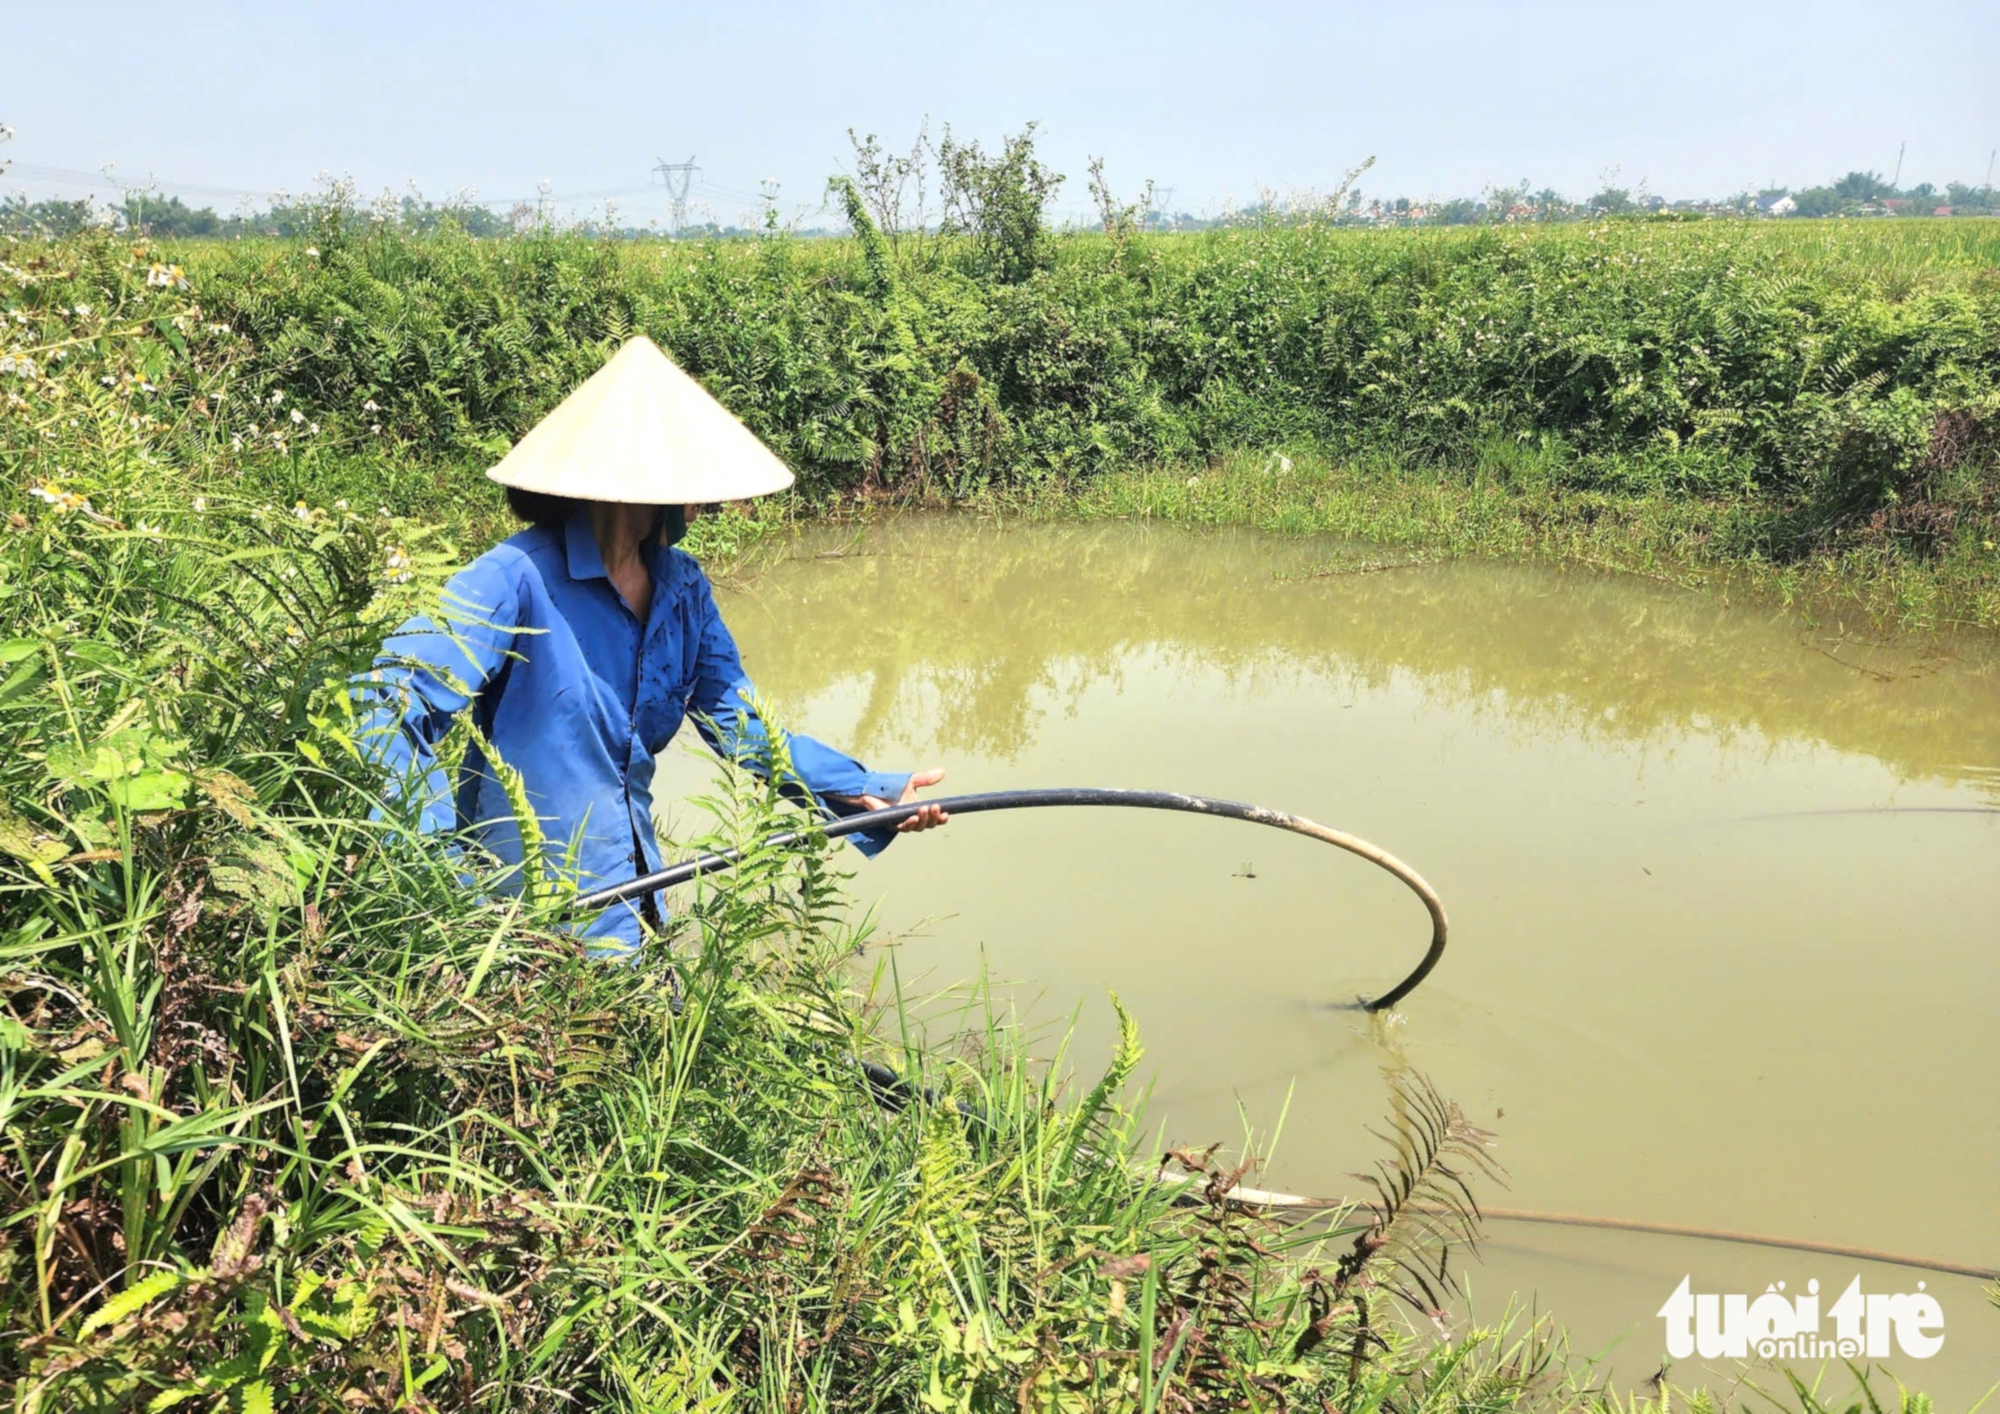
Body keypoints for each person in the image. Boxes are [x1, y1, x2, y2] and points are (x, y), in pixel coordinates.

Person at [359, 335, 947, 952]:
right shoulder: (513, 579)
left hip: (638, 906)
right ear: (650, 488)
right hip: (521, 930)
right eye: (697, 485)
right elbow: (387, 702)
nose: (709, 503)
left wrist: (870, 793)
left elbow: (743, 726)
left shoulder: (682, 589)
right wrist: (437, 875)